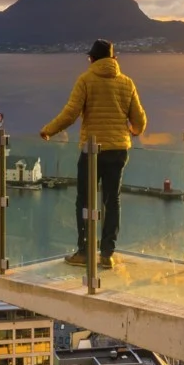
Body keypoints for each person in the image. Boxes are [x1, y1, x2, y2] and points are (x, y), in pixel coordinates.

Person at [40, 38, 146, 270]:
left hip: (92, 151)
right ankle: (107, 254)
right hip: (119, 149)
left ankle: (85, 251)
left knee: (85, 201)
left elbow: (70, 113)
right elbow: (139, 120)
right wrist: (134, 131)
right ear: (114, 59)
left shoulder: (86, 80)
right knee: (113, 200)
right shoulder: (127, 83)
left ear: (93, 59)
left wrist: (49, 130)